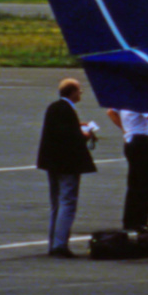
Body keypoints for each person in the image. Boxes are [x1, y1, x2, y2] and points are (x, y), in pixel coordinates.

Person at [36, 78, 98, 258]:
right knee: (68, 202)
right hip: (67, 164)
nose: (80, 94)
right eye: (79, 91)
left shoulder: (54, 108)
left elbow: (58, 131)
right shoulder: (67, 109)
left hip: (52, 163)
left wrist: (77, 126)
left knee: (55, 203)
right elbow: (69, 138)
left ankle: (54, 243)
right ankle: (60, 244)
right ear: (72, 92)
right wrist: (85, 136)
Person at [106, 108, 148, 231]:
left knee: (133, 182)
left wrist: (124, 129)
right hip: (140, 140)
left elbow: (110, 112)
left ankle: (130, 220)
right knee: (144, 182)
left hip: (130, 139)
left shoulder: (123, 99)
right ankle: (140, 220)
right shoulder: (139, 101)